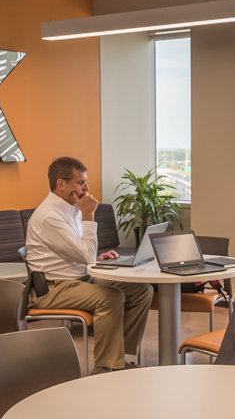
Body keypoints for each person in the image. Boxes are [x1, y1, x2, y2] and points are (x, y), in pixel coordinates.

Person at [25, 156, 152, 373]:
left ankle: (122, 357)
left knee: (141, 290)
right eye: (81, 182)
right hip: (52, 288)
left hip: (78, 279)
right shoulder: (49, 217)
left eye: (86, 182)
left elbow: (82, 252)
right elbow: (85, 254)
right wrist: (89, 215)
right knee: (110, 297)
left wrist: (96, 257)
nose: (86, 188)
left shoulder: (71, 209)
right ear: (61, 184)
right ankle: (104, 367)